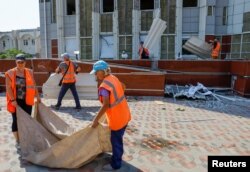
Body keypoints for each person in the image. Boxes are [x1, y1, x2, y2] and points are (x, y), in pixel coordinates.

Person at [90, 60, 131, 171]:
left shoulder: (104, 86)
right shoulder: (113, 78)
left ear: (103, 71)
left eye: (96, 72)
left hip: (117, 118)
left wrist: (95, 120)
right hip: (124, 114)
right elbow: (123, 87)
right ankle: (117, 156)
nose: (95, 74)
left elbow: (105, 105)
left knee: (116, 141)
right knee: (117, 139)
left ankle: (116, 164)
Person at [5, 54, 41, 143]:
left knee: (27, 118)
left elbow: (34, 84)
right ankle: (18, 140)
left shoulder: (29, 71)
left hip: (27, 100)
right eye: (18, 62)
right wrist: (13, 100)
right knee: (16, 120)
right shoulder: (10, 73)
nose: (20, 64)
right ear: (16, 62)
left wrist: (38, 96)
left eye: (22, 62)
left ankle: (25, 135)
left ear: (25, 62)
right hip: (16, 101)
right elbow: (8, 87)